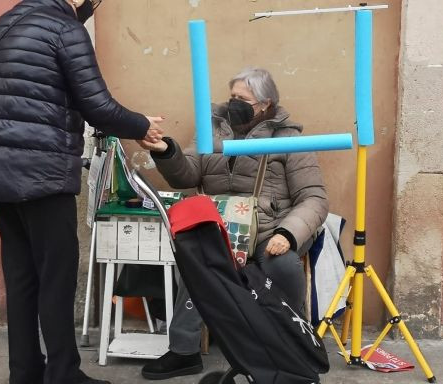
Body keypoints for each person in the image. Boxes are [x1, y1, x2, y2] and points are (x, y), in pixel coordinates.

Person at [0, 1, 163, 383]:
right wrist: (140, 125)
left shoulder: (5, 24)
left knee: (20, 277)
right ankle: (63, 374)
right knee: (56, 275)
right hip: (42, 174)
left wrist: (20, 110)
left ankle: (24, 373)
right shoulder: (66, 30)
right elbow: (97, 106)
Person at [138, 67, 328, 380]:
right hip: (220, 227)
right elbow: (186, 174)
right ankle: (184, 351)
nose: (233, 103)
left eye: (243, 99)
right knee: (196, 262)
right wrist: (166, 151)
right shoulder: (212, 129)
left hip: (269, 228)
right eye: (232, 97)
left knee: (283, 267)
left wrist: (288, 234)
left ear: (265, 104)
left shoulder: (289, 138)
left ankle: (289, 346)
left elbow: (314, 198)